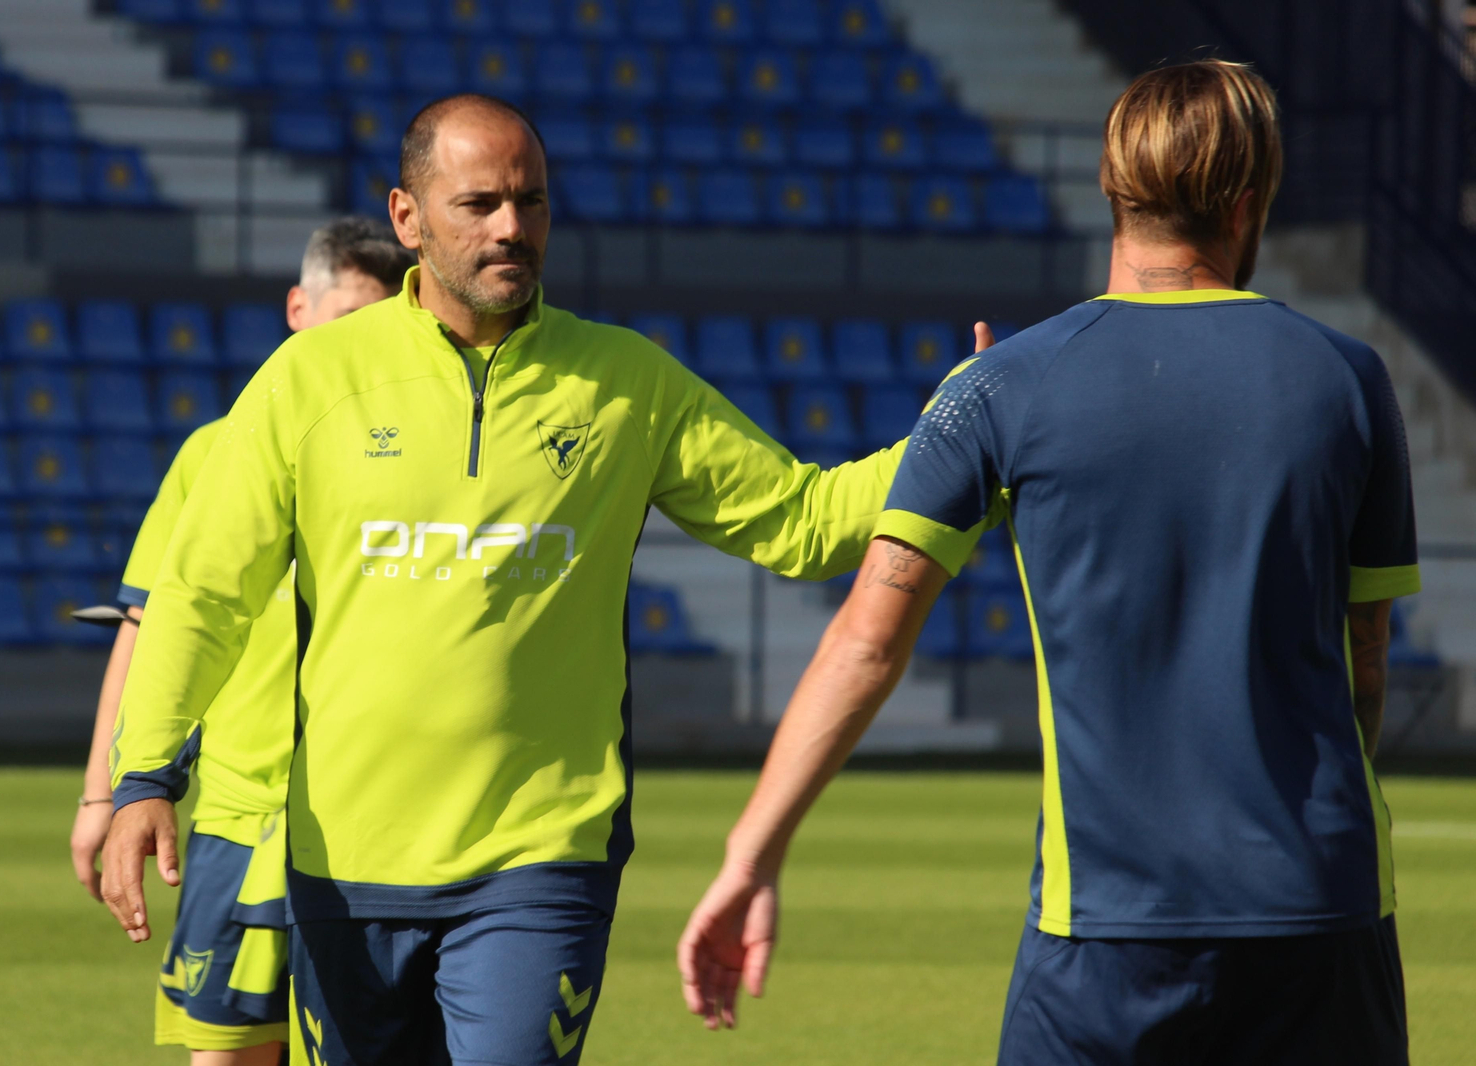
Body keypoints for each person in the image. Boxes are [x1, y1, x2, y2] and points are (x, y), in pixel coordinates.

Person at [98, 93, 991, 1066]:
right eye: (478, 203)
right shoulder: (309, 383)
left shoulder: (624, 383)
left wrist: (959, 437)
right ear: (407, 217)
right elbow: (204, 590)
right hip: (341, 861)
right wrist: (143, 772)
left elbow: (804, 520)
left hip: (540, 855)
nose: (511, 228)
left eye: (530, 202)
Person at [679, 60, 1417, 1066]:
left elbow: (862, 641)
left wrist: (748, 854)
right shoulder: (1349, 378)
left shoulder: (997, 387)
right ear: (1249, 203)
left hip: (1105, 928)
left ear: (1110, 192)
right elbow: (1361, 662)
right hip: (1319, 911)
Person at [70, 216, 412, 1065]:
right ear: (298, 308)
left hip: (375, 825)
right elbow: (146, 628)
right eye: (345, 324)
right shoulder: (215, 452)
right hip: (234, 816)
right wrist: (101, 793)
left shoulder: (420, 459)